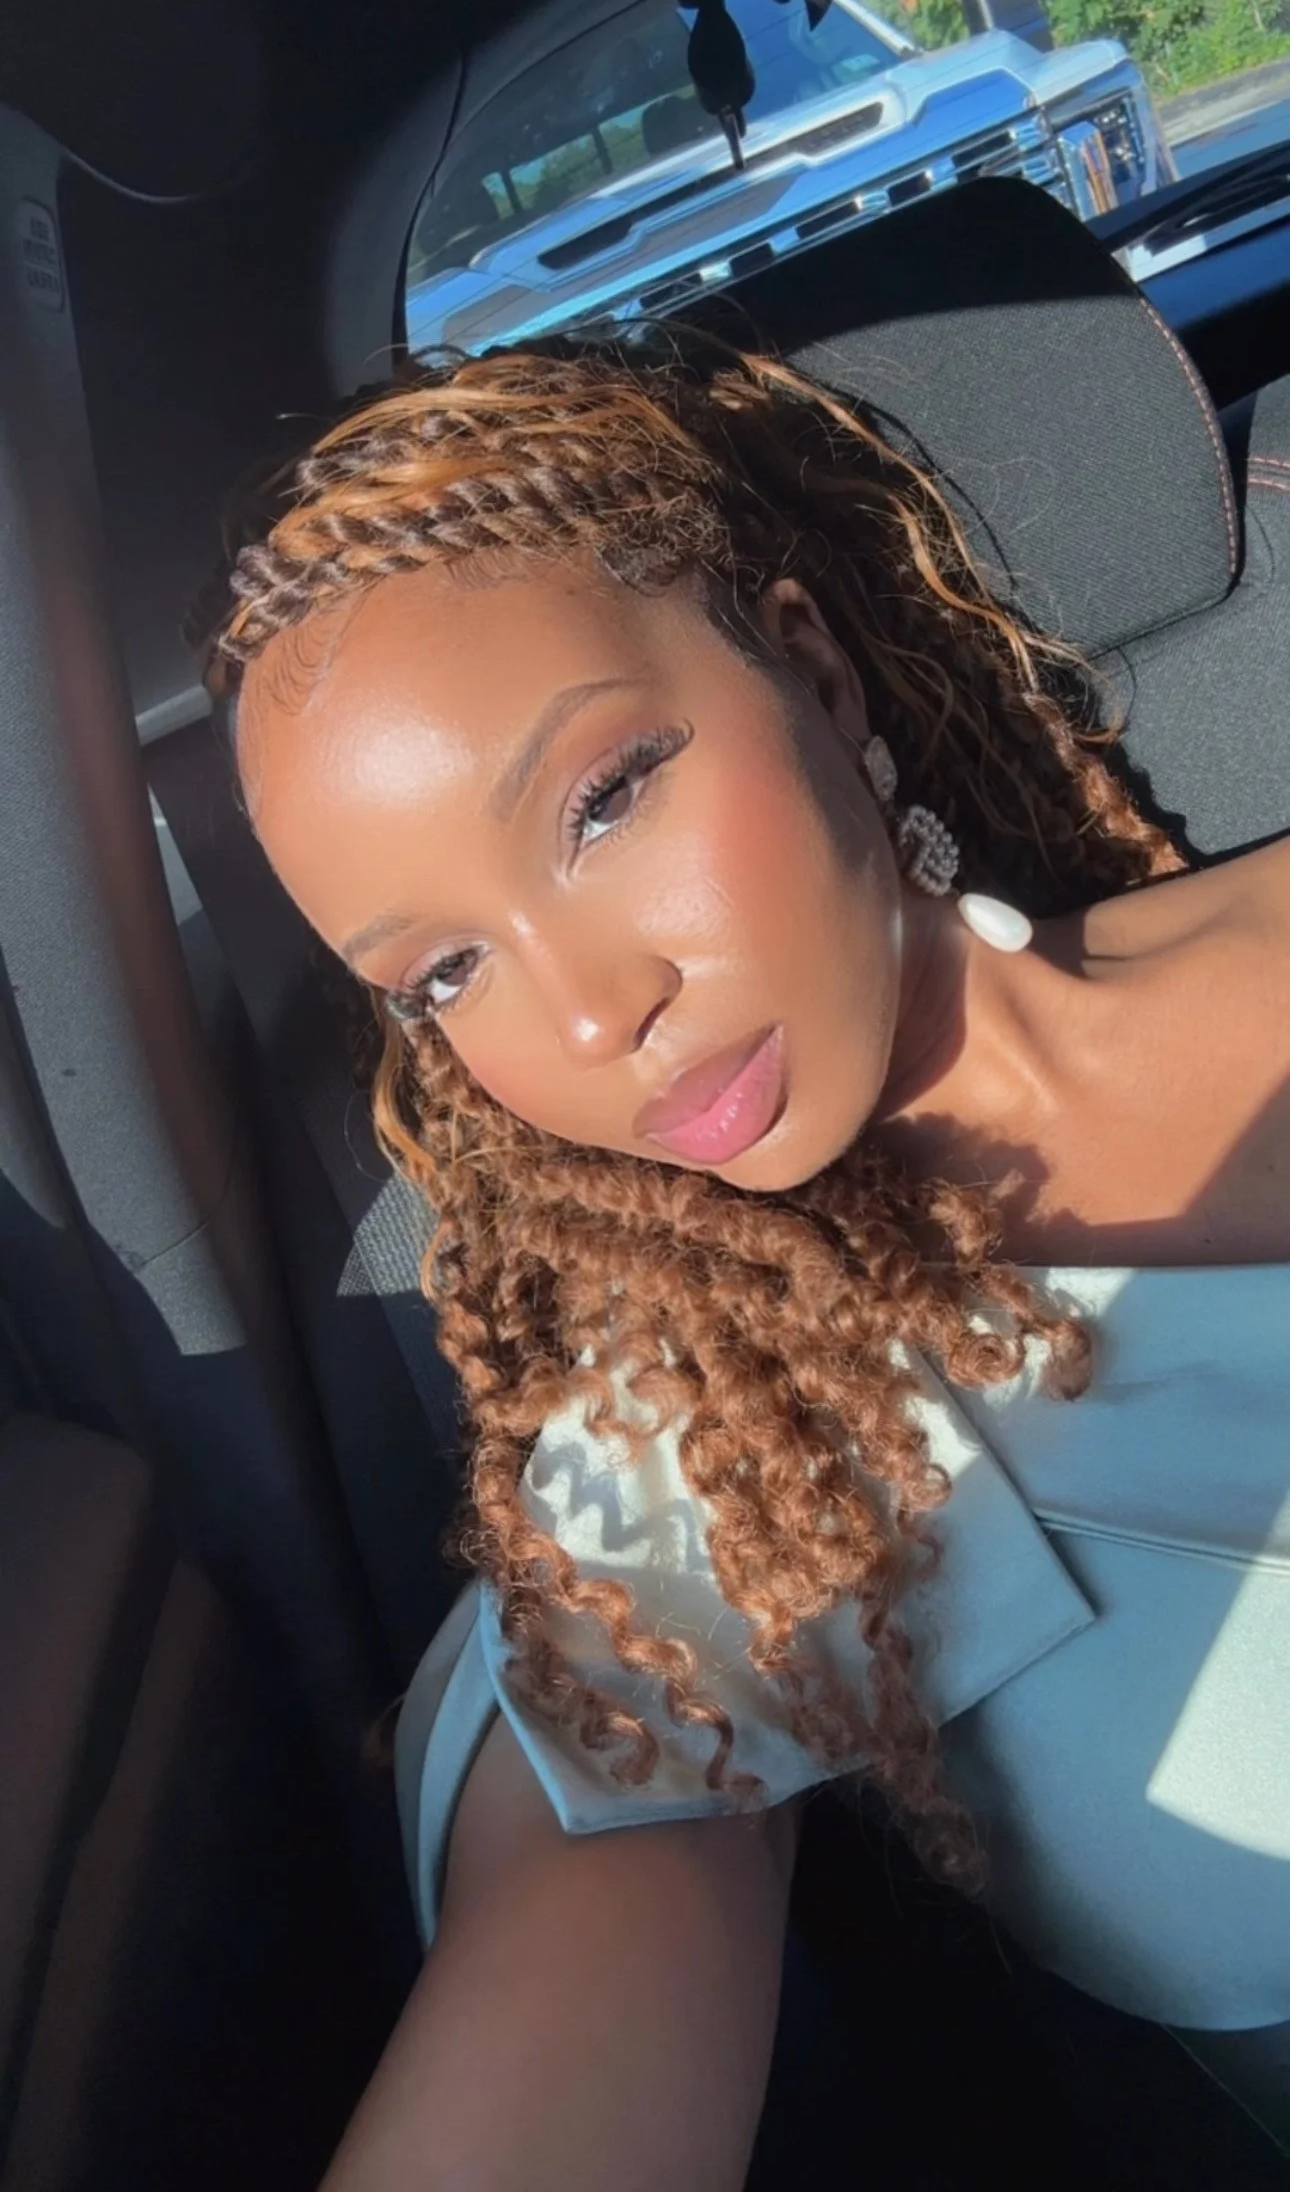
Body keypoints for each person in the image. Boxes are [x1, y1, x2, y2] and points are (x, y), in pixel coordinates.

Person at [207, 335, 1290, 2187]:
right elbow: (600, 1890)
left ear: (807, 659)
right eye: (442, 974)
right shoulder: (720, 1437)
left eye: (604, 798)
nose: (587, 1009)